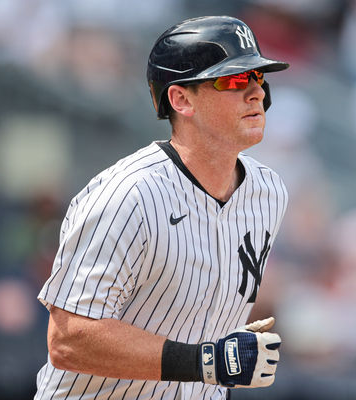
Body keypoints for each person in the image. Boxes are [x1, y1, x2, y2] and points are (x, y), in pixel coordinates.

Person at [34, 15, 290, 400]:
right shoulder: (128, 195)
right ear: (181, 99)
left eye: (258, 78)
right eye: (234, 80)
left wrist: (219, 347)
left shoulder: (269, 192)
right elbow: (68, 340)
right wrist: (206, 360)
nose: (255, 92)